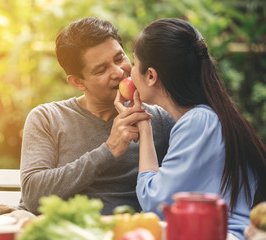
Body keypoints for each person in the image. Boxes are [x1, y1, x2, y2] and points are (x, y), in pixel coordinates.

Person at [114, 18, 266, 239]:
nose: (129, 74)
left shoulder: (199, 123)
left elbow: (155, 202)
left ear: (151, 76)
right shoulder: (207, 117)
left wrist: (144, 130)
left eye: (135, 64)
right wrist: (144, 123)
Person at [18, 17, 175, 215]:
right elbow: (33, 196)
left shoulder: (156, 118)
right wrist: (108, 150)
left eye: (119, 58)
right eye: (101, 70)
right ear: (78, 82)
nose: (119, 72)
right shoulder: (47, 118)